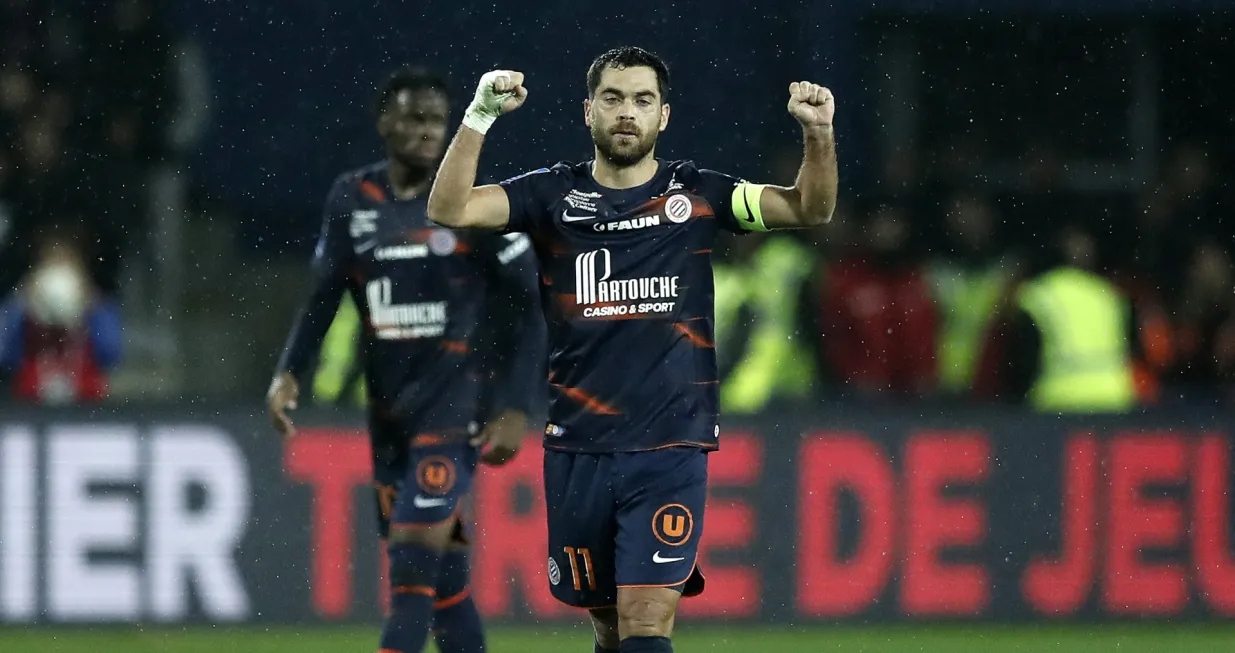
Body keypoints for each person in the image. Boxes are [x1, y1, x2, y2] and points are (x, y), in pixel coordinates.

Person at [427, 46, 838, 653]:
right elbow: (448, 207)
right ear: (588, 110)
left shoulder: (696, 194)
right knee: (610, 626)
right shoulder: (549, 196)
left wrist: (819, 134)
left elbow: (810, 207)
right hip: (578, 447)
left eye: (643, 100)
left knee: (647, 619)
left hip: (670, 445)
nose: (628, 113)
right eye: (614, 99)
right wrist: (479, 116)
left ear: (663, 116)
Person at [265, 66, 543, 653]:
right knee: (444, 585)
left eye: (437, 121)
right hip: (389, 416)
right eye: (415, 118)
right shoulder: (352, 197)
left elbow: (530, 308)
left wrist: (516, 405)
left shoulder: (470, 203)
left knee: (411, 568)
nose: (427, 131)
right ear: (385, 122)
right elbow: (324, 293)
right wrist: (291, 371)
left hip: (456, 405)